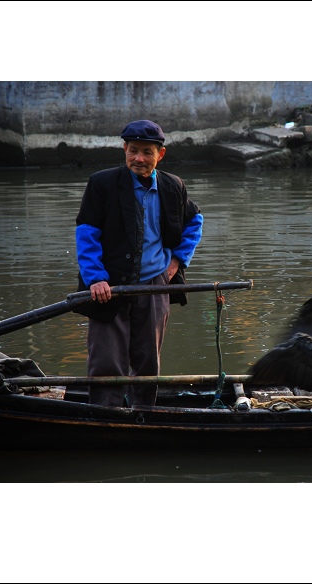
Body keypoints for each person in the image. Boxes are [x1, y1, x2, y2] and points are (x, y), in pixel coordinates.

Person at [74, 120, 203, 407]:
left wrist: (177, 261)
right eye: (133, 151)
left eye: (147, 152)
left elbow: (194, 221)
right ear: (124, 150)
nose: (139, 159)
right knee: (107, 360)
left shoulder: (173, 185)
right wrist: (96, 278)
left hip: (155, 284)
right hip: (108, 286)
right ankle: (106, 416)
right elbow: (87, 234)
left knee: (147, 361)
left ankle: (143, 414)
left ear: (161, 154)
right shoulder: (102, 183)